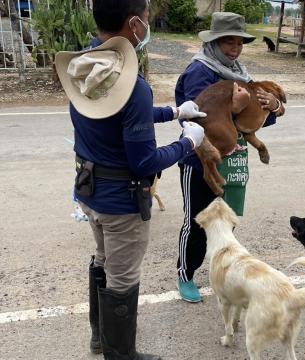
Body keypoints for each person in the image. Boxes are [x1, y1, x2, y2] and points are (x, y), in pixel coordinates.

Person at [55, 0, 206, 359]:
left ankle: (100, 339)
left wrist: (173, 111)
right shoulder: (132, 85)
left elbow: (115, 116)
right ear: (134, 23)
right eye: (148, 19)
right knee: (122, 280)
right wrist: (187, 143)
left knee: (102, 261)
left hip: (89, 190)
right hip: (122, 202)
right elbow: (144, 162)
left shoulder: (87, 65)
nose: (148, 27)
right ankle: (119, 355)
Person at [174, 12, 285, 303]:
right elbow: (195, 117)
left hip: (233, 158)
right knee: (196, 222)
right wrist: (234, 109)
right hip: (198, 158)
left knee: (226, 221)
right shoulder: (199, 71)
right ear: (214, 43)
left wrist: (273, 106)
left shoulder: (239, 71)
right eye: (228, 43)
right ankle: (185, 274)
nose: (235, 49)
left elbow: (254, 120)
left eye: (239, 43)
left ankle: (220, 272)